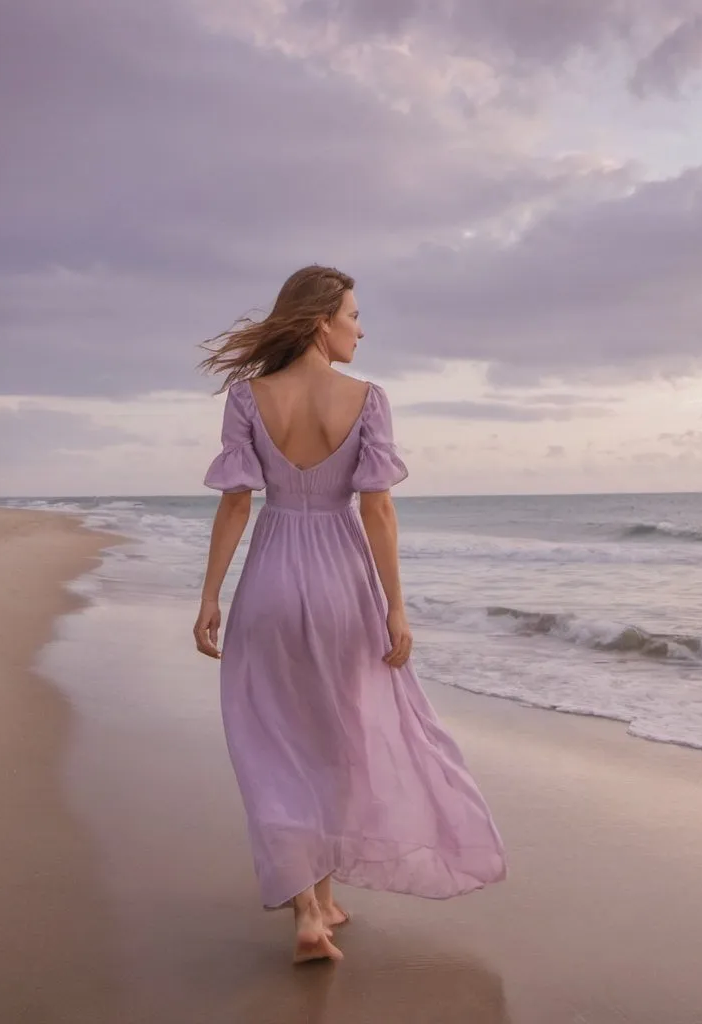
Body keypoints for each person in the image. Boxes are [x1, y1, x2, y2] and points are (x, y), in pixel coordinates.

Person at [194, 265, 506, 964]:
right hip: (341, 582)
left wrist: (210, 595)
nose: (360, 329)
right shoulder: (367, 400)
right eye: (353, 316)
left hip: (270, 579)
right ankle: (318, 899)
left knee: (276, 741)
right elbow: (378, 509)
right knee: (336, 738)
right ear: (319, 322)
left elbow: (238, 502)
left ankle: (313, 907)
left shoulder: (248, 399)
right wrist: (396, 607)